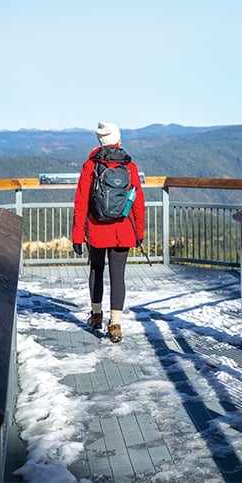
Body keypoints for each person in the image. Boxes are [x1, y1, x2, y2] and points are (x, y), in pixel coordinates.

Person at [72, 121, 145, 344]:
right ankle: (115, 325)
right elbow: (138, 202)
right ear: (118, 140)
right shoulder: (129, 167)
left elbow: (81, 202)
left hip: (96, 229)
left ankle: (96, 315)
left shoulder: (90, 166)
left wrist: (77, 235)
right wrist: (139, 231)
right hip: (123, 229)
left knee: (96, 269)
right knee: (118, 276)